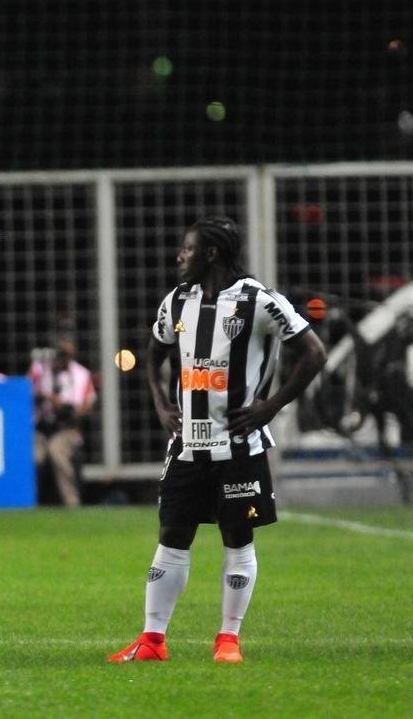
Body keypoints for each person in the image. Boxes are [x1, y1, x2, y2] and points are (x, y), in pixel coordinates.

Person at [109, 216, 326, 664]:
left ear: (210, 254)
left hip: (239, 446)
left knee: (237, 536)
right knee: (172, 534)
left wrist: (271, 406)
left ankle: (228, 640)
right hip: (187, 444)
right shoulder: (176, 302)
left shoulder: (260, 301)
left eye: (186, 250)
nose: (179, 257)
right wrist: (160, 405)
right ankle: (152, 641)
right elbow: (154, 355)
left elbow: (314, 353)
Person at [28, 336, 95, 507]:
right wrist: (44, 398)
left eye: (65, 356)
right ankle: (29, 503)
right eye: (58, 355)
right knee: (34, 456)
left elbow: (86, 407)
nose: (60, 360)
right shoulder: (39, 370)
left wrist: (65, 409)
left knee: (57, 451)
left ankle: (71, 502)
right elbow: (24, 395)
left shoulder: (81, 375)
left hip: (67, 429)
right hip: (40, 427)